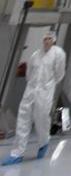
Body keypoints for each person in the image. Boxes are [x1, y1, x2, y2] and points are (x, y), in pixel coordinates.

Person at [2, 32, 66, 165]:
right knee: (22, 120)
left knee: (41, 119)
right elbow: (28, 74)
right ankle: (17, 153)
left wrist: (48, 85)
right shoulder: (35, 55)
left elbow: (60, 74)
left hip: (44, 92)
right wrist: (33, 86)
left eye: (49, 39)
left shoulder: (58, 54)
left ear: (53, 40)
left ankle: (44, 142)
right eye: (45, 38)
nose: (46, 41)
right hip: (30, 91)